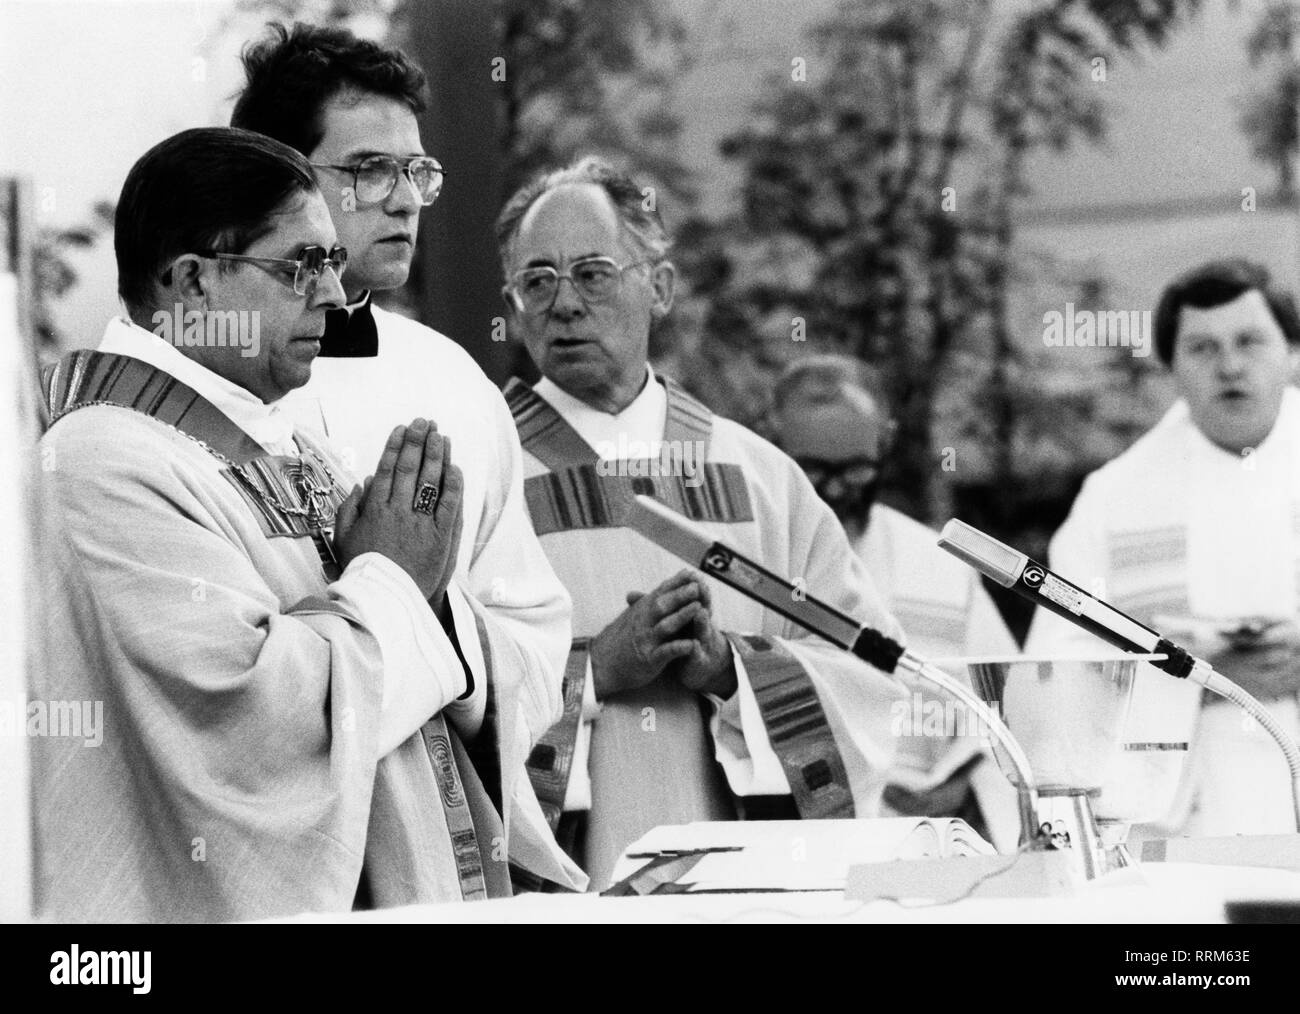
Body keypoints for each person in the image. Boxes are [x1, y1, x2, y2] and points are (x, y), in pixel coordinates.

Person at [34, 127, 582, 923]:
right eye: (301, 266)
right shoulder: (100, 465)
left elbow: (389, 641)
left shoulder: (295, 446)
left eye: (331, 262)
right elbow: (253, 730)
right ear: (192, 284)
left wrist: (430, 601)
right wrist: (396, 582)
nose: (332, 294)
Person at [495, 156, 909, 889]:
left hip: (749, 890)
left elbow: (870, 678)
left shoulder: (762, 480)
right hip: (566, 890)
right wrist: (594, 675)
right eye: (537, 281)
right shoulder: (486, 468)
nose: (563, 304)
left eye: (591, 273)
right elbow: (441, 690)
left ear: (659, 287)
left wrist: (731, 670)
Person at [230, 25, 576, 816]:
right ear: (274, 177)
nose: (406, 198)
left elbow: (535, 638)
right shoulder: (208, 377)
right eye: (369, 170)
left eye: (417, 171)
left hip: (436, 826)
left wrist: (437, 611)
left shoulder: (453, 381)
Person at [1026, 258, 1300, 837]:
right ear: (1172, 367)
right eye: (1201, 349)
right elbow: (1057, 667)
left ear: (1292, 350)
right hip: (1186, 804)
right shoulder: (1114, 497)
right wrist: (1196, 677)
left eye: (1249, 341)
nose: (1229, 366)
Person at [769, 354, 1020, 849]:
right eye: (814, 471)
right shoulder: (749, 560)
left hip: (929, 844)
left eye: (857, 469)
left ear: (884, 443)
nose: (836, 489)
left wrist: (964, 785)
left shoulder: (939, 567)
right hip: (793, 840)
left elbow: (1011, 707)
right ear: (773, 445)